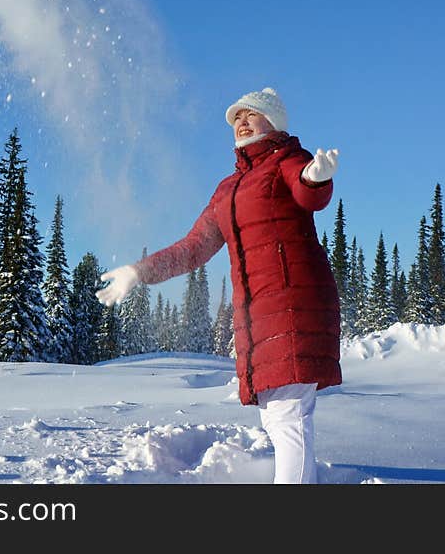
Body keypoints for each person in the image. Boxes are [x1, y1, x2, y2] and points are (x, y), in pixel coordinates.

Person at [96, 87, 341, 483]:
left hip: (295, 306)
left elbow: (306, 190)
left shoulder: (287, 159)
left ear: (274, 123)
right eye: (237, 118)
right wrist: (139, 272)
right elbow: (193, 248)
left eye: (252, 115)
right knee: (279, 419)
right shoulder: (228, 190)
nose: (242, 122)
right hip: (259, 318)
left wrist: (316, 179)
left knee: (287, 414)